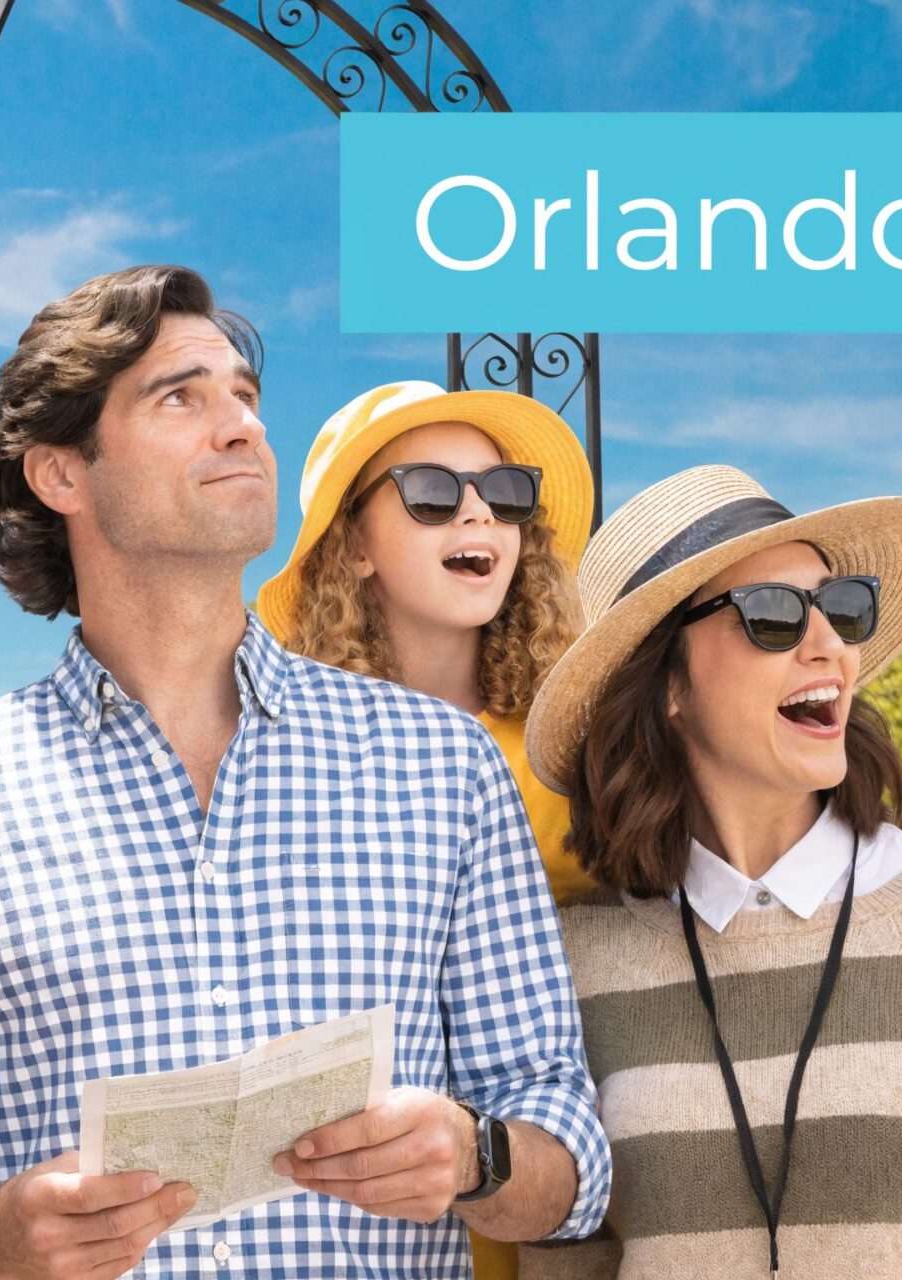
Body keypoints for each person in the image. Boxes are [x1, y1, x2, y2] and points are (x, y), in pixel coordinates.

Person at [0, 265, 610, 1280]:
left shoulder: (444, 767)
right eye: (181, 397)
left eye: (244, 395)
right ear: (61, 473)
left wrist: (476, 1153)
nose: (241, 425)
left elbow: (571, 1158)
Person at [519, 465, 902, 1280]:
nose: (829, 641)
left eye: (842, 607)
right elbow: (567, 1265)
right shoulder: (573, 959)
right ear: (666, 688)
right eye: (770, 615)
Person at [254, 380, 597, 1280]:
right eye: (434, 494)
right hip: (357, 1204)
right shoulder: (280, 760)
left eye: (506, 494)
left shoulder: (580, 747)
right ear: (355, 547)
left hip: (550, 1177)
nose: (478, 513)